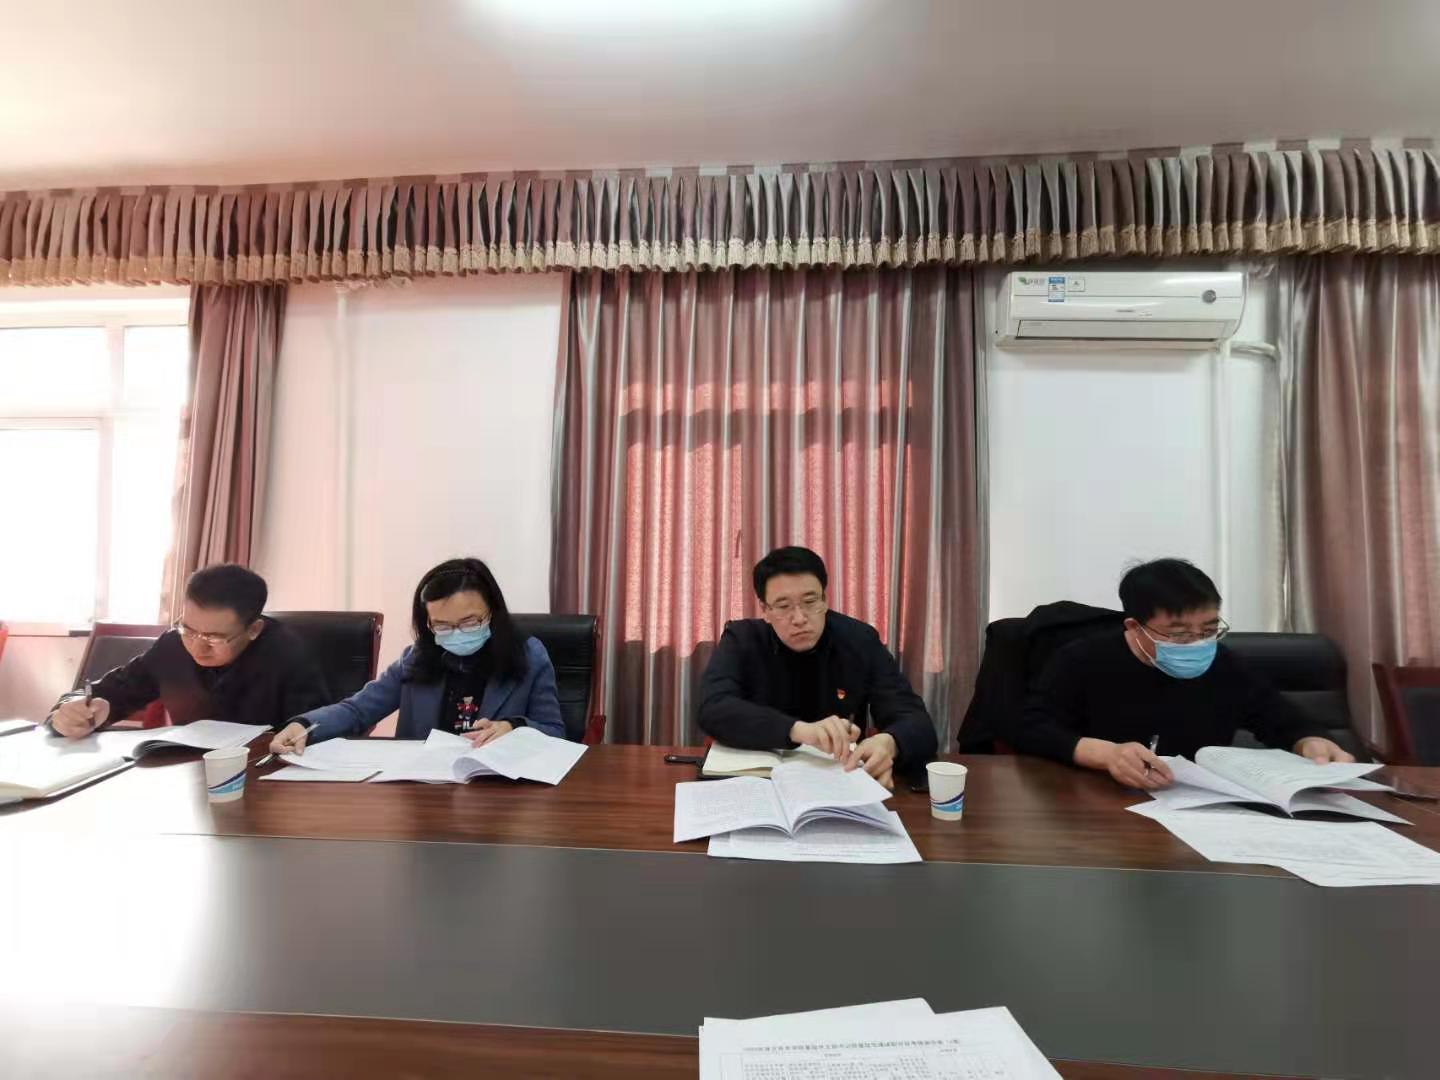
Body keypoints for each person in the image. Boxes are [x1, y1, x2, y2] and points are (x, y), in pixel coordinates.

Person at [1009, 557, 1355, 789]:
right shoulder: (1083, 659)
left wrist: (1311, 741)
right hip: (1096, 801)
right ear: (1135, 627)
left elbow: (1282, 719)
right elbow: (1030, 728)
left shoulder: (1225, 665)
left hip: (1196, 804)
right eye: (1178, 633)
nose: (1197, 643)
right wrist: (1107, 755)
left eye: (1208, 629)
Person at [697, 546, 938, 790]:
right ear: (765, 610)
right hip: (758, 784)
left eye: (810, 602)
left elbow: (915, 721)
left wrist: (889, 743)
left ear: (824, 600)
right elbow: (713, 708)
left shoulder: (860, 640)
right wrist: (799, 731)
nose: (799, 618)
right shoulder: (742, 639)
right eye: (783, 606)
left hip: (840, 781)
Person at [270, 557, 563, 754]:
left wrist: (514, 728)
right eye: (442, 625)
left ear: (493, 613)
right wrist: (304, 725)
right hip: (423, 791)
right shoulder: (418, 658)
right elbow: (358, 710)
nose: (457, 633)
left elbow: (555, 733)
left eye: (470, 622)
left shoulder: (529, 655)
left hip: (497, 793)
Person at [48, 564, 330, 737]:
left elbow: (315, 731)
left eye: (215, 638)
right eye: (189, 629)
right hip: (186, 776)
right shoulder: (172, 645)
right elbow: (107, 691)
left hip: (260, 781)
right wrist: (71, 711)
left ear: (253, 629)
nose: (197, 646)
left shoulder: (289, 655)